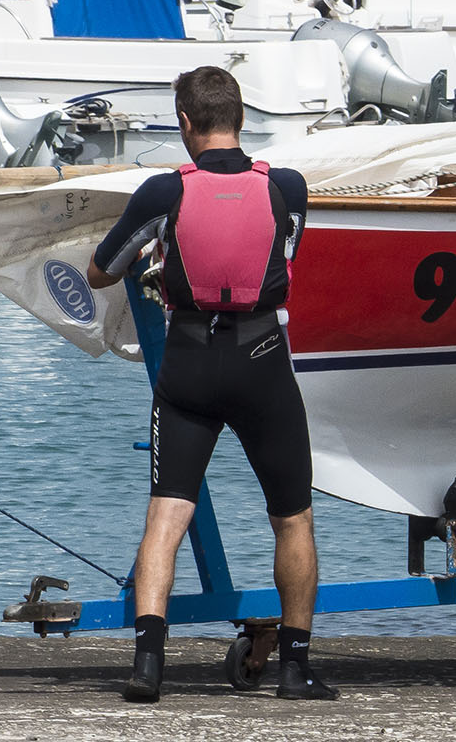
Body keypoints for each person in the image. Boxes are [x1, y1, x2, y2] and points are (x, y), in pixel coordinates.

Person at [85, 66, 334, 704]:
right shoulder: (288, 187)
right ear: (241, 119)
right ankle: (295, 670)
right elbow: (286, 258)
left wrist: (155, 255)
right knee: (292, 517)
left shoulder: (162, 192)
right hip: (263, 360)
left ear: (185, 122)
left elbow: (101, 272)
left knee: (167, 515)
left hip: (190, 365)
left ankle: (147, 668)